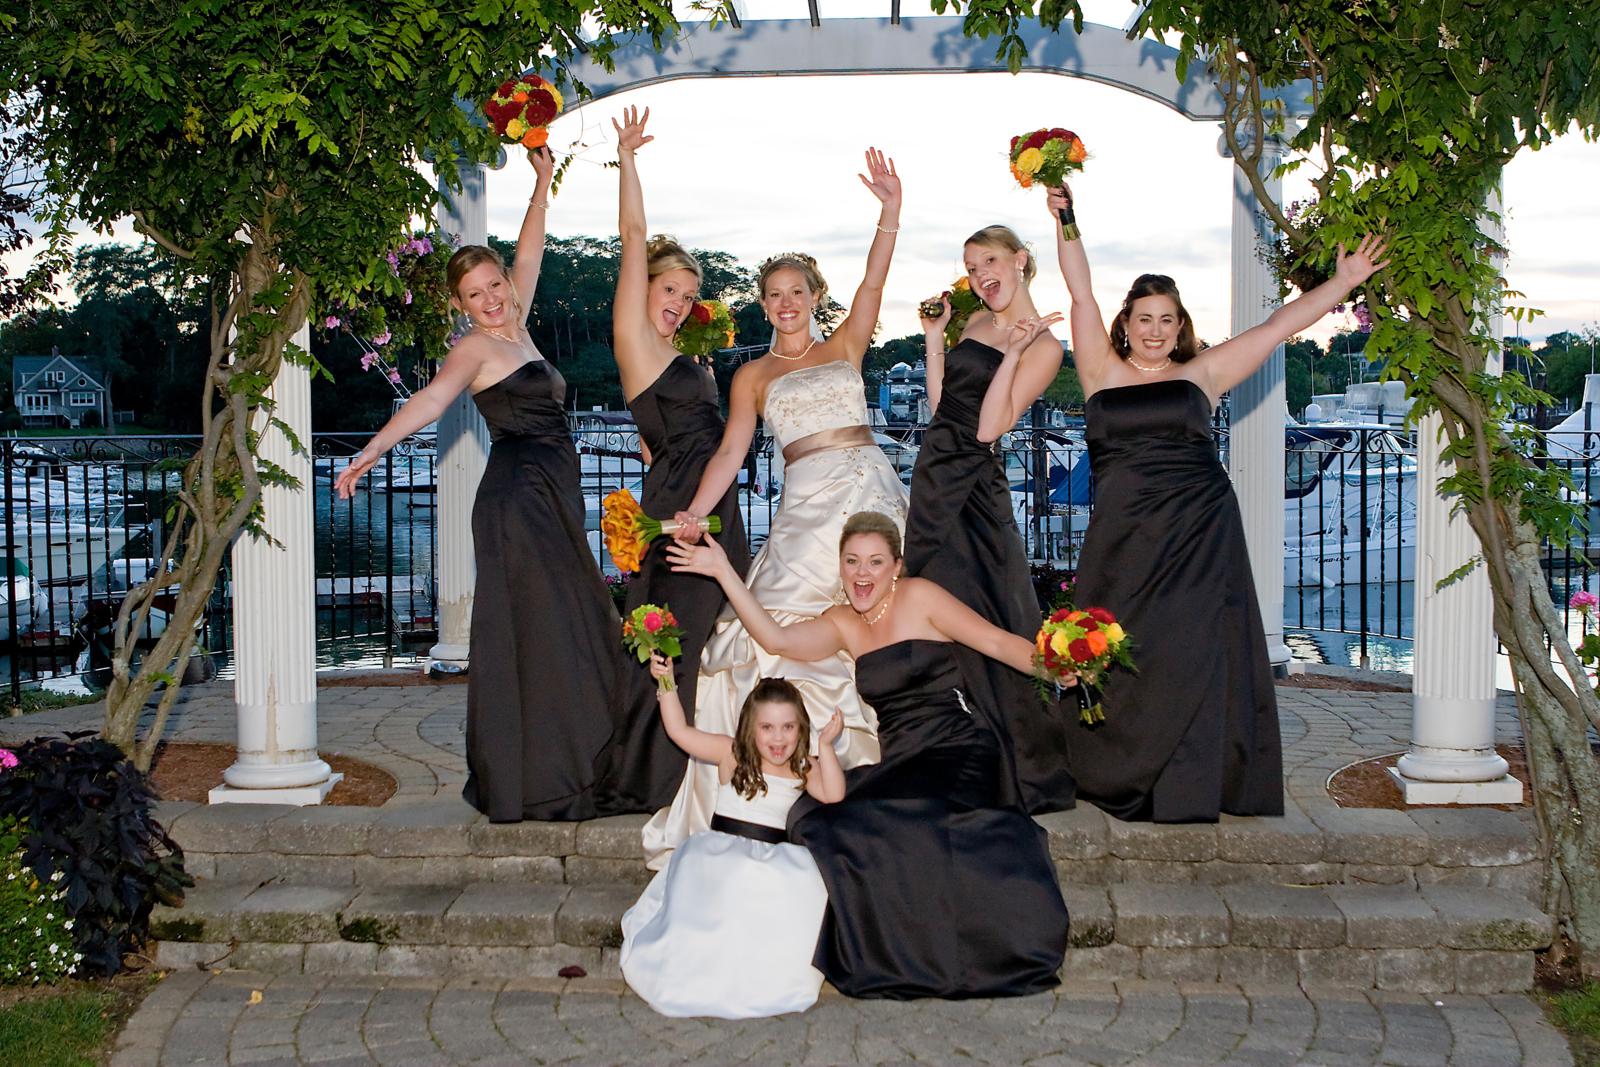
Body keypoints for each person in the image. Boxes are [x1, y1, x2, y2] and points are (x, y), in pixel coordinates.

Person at [1047, 181, 1389, 822]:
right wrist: (1067, 219)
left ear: (1181, 327)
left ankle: (1195, 780)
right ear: (1125, 324)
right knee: (1114, 640)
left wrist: (1343, 282)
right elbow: (1080, 292)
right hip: (1123, 532)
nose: (1154, 330)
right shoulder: (1099, 370)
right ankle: (1110, 765)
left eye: (1166, 320)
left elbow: (1279, 326)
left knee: (1194, 647)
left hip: (1200, 527)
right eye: (1144, 318)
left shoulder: (1201, 373)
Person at [667, 511, 1069, 1000]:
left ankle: (961, 950)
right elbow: (776, 639)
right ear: (839, 566)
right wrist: (723, 571)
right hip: (903, 759)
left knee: (919, 823)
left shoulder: (920, 597)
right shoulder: (843, 622)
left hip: (958, 745)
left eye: (876, 562)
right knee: (821, 820)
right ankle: (892, 952)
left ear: (896, 567)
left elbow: (995, 641)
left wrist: (1057, 665)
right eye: (852, 561)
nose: (862, 573)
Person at [640, 149, 911, 868]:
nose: (786, 303)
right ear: (763, 304)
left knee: (874, 618)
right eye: (773, 295)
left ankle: (871, 767)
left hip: (870, 496)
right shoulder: (753, 376)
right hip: (805, 509)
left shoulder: (846, 343)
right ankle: (771, 780)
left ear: (814, 296)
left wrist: (890, 211)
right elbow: (730, 453)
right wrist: (693, 514)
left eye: (796, 291)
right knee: (772, 628)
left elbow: (874, 282)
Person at [335, 148, 621, 822]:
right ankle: (541, 776)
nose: (490, 299)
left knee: (567, 623)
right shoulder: (474, 347)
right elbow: (432, 401)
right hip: (518, 498)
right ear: (459, 305)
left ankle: (574, 762)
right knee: (543, 627)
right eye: (475, 294)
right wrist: (371, 450)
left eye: (495, 285)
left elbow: (531, 250)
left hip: (550, 490)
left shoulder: (517, 327)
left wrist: (543, 182)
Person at [591, 107, 749, 814]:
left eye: (689, 296)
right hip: (684, 504)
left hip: (707, 494)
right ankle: (647, 775)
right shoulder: (634, 337)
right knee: (670, 634)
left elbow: (666, 432)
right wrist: (627, 159)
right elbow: (632, 235)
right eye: (668, 290)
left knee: (698, 628)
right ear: (643, 286)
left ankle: (687, 767)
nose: (680, 304)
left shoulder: (679, 353)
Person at [906, 224, 1076, 814]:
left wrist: (1014, 352)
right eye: (972, 267)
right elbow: (942, 408)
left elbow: (988, 428)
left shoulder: (1047, 347)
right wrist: (934, 338)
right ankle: (947, 753)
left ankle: (1021, 762)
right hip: (934, 475)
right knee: (933, 607)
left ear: (1021, 260)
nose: (981, 276)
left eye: (990, 261)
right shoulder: (974, 321)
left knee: (996, 606)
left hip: (976, 487)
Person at [620, 659, 843, 1019]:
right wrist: (666, 683)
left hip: (773, 857)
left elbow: (833, 794)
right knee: (729, 878)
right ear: (750, 728)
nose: (778, 738)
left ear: (801, 728)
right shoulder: (732, 752)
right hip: (721, 851)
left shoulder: (803, 766)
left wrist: (827, 746)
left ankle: (760, 974)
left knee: (801, 882)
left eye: (787, 727)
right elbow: (679, 731)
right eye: (767, 727)